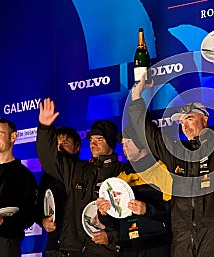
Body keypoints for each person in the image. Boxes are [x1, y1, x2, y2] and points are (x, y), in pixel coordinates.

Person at [128, 59, 214, 256]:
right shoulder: (177, 152)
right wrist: (136, 96)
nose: (184, 125)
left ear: (205, 119)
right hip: (182, 232)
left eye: (190, 119)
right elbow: (147, 134)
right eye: (182, 122)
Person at [36, 98, 128, 256]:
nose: (93, 144)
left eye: (100, 140)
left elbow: (130, 215)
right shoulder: (77, 169)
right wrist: (45, 128)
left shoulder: (123, 173)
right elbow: (50, 160)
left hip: (103, 251)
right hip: (71, 250)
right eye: (91, 140)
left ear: (111, 144)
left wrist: (112, 237)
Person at [97, 125, 172, 257]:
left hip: (158, 248)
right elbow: (114, 222)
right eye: (122, 143)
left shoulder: (163, 171)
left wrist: (148, 209)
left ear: (142, 143)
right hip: (128, 249)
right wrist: (104, 213)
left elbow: (177, 213)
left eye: (128, 142)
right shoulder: (121, 177)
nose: (124, 147)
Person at [36, 127, 81, 257]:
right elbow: (37, 208)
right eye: (56, 143)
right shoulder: (47, 177)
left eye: (65, 142)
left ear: (77, 147)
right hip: (54, 247)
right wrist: (43, 221)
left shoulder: (85, 172)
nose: (60, 147)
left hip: (81, 249)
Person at [0, 117, 37, 257]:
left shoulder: (24, 176)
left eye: (0, 133)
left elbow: (29, 216)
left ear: (13, 136)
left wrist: (3, 221)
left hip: (6, 243)